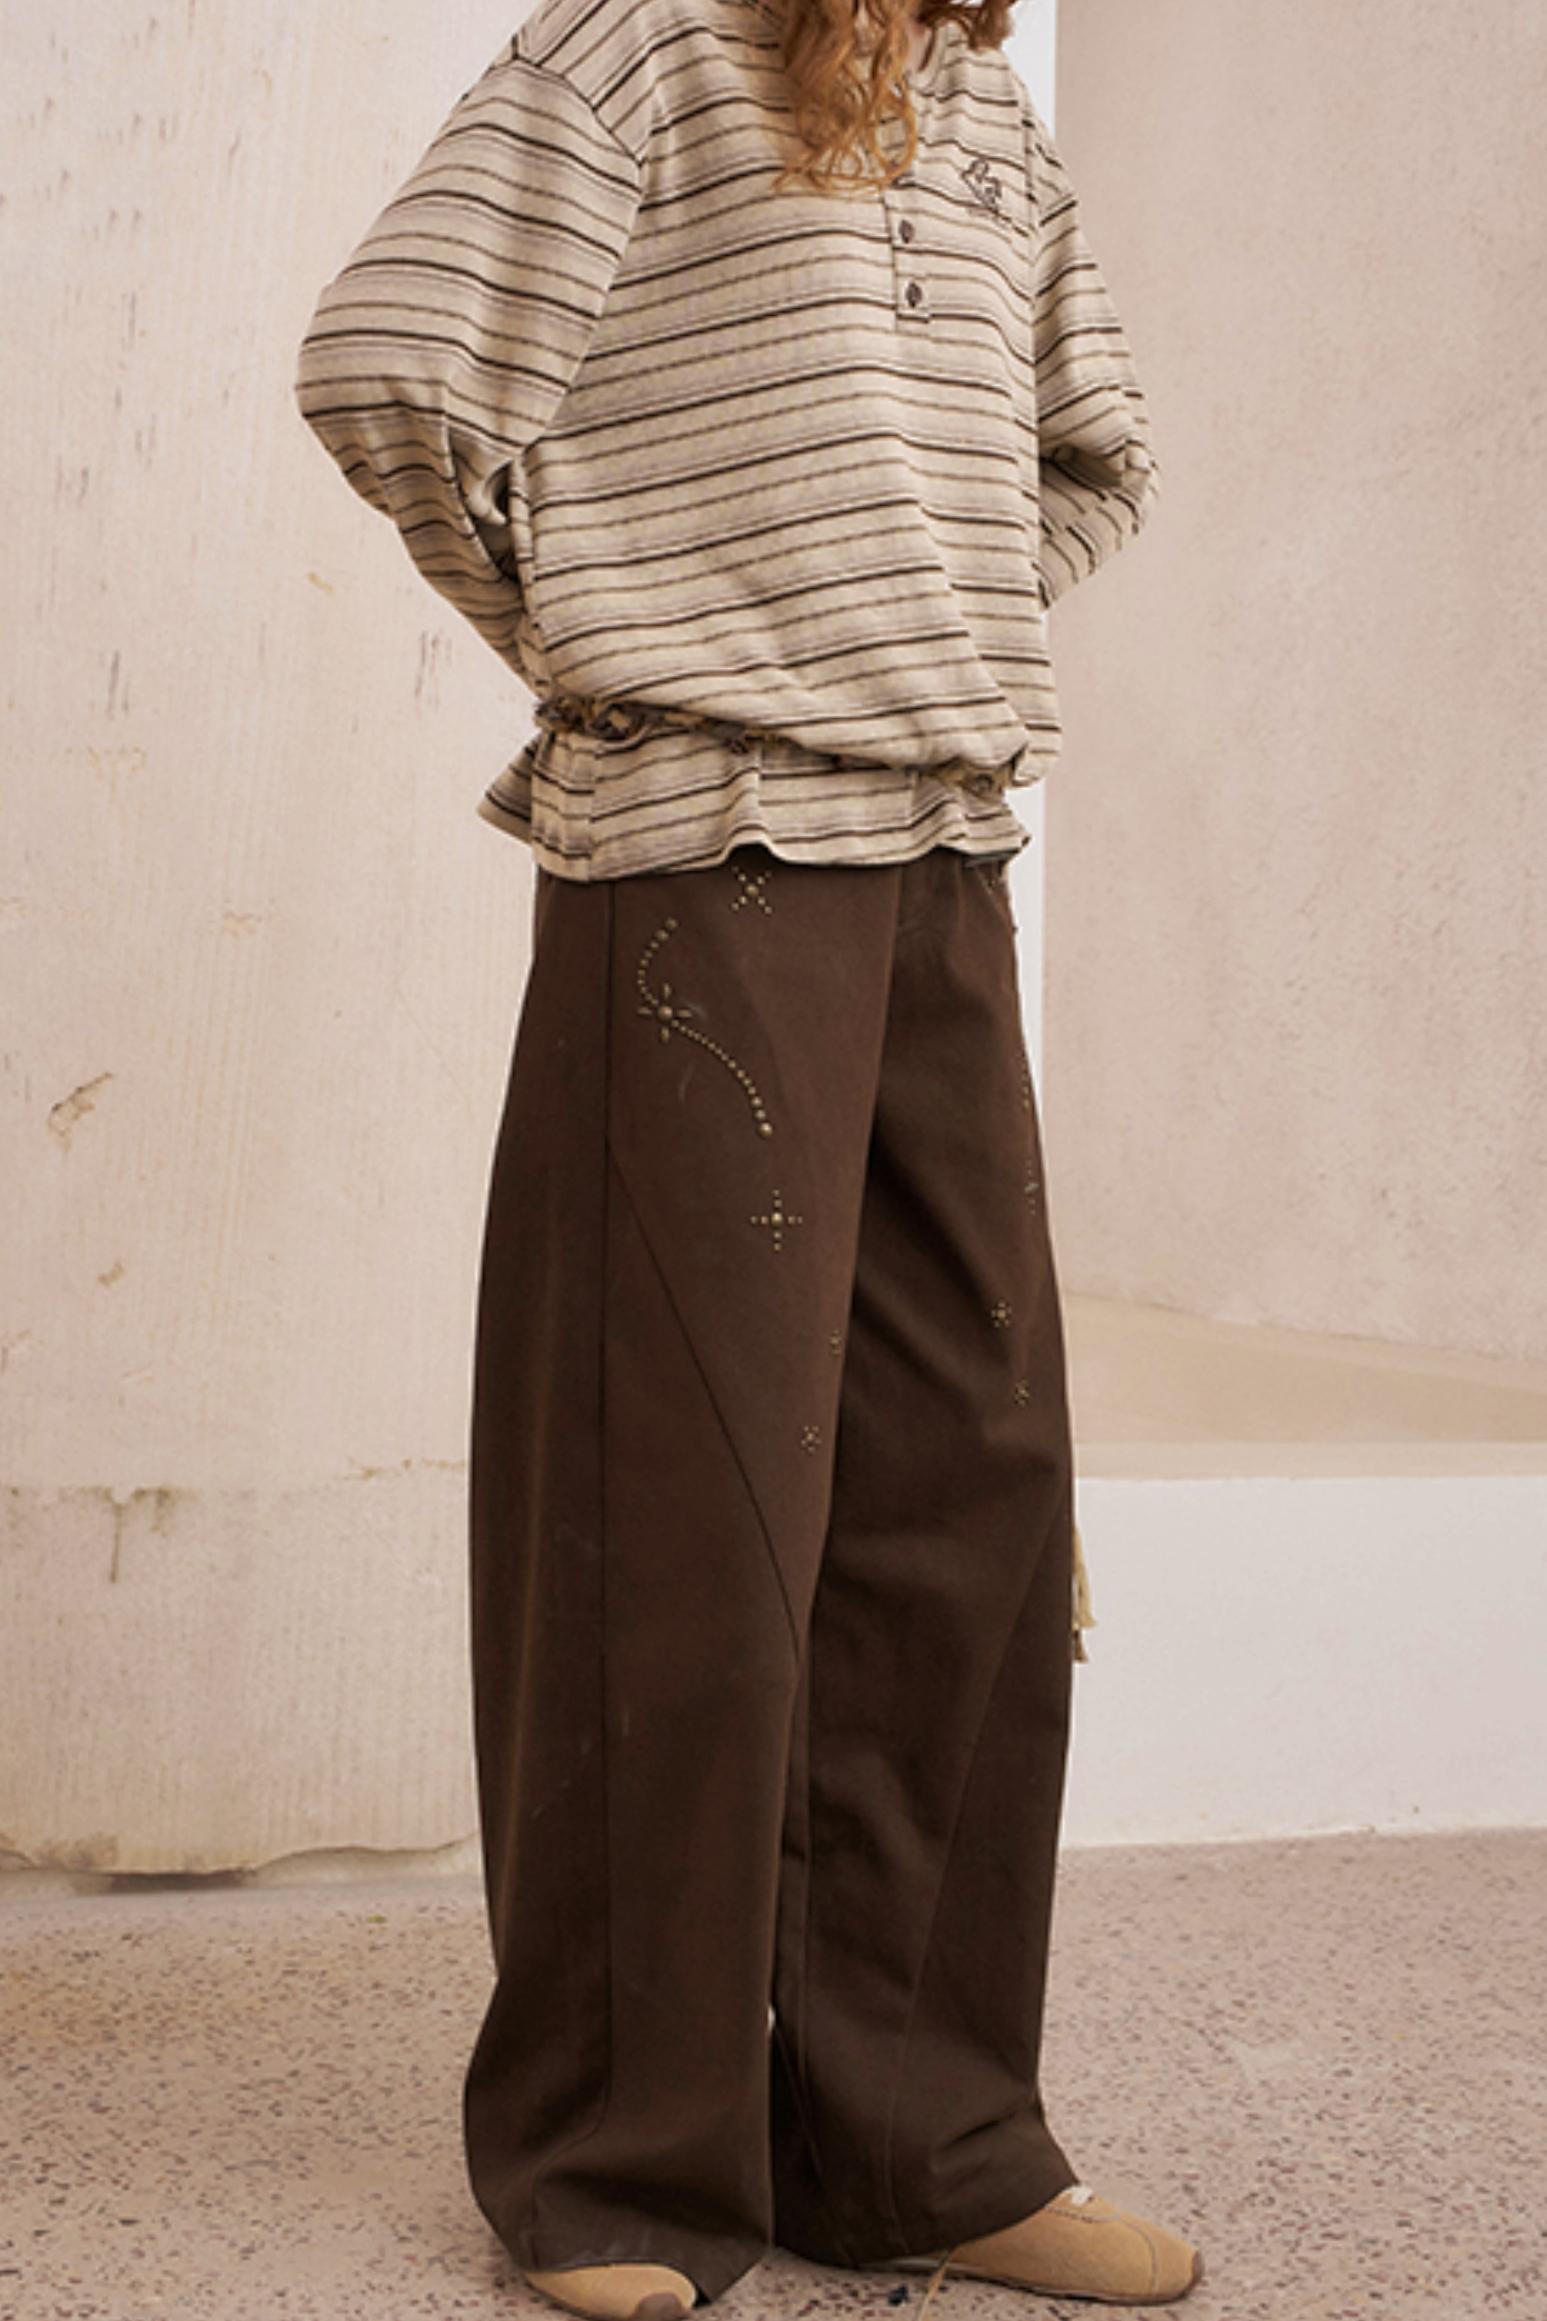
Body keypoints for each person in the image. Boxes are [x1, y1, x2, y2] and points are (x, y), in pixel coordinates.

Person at [294, 0, 1199, 2314]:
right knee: (678, 1513)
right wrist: (624, 625)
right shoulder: (643, 48)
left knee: (965, 1493)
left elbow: (1094, 447)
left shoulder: (992, 110)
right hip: (699, 852)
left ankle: (925, 2143)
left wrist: (909, 628)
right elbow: (389, 362)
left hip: (948, 854)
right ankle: (621, 2167)